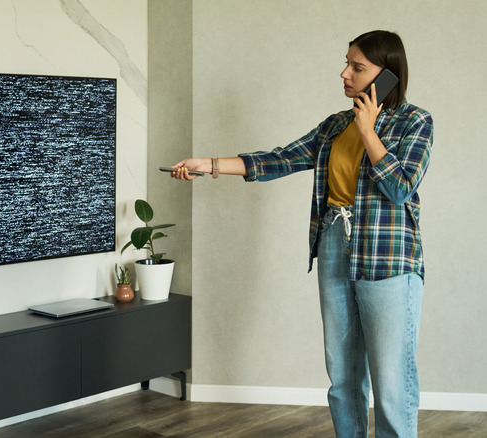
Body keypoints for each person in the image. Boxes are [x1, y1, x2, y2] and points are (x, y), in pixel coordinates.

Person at [170, 30, 433, 438]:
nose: (344, 73)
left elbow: (400, 187)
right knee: (342, 376)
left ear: (387, 76)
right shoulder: (334, 126)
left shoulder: (415, 121)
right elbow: (280, 159)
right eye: (346, 62)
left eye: (357, 67)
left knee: (392, 383)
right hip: (334, 245)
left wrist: (369, 130)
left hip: (388, 258)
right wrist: (209, 164)